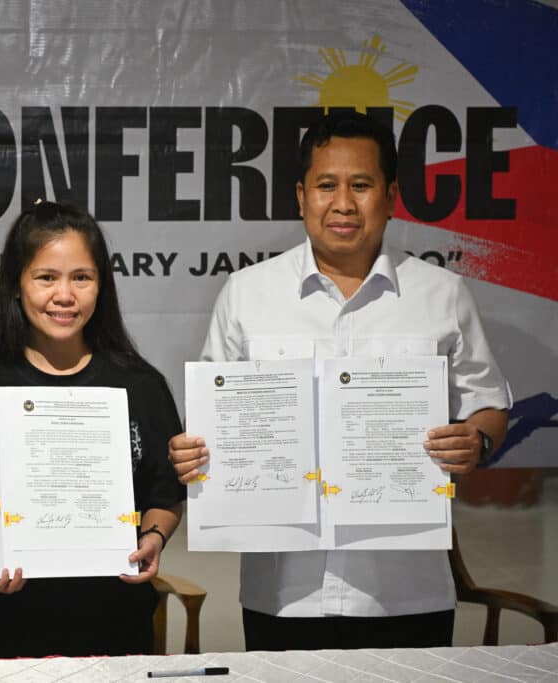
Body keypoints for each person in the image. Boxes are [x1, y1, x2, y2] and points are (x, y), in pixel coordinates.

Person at [169, 110, 510, 651]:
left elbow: (489, 404)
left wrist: (478, 438)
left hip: (407, 590)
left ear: (392, 195)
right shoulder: (247, 293)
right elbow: (211, 421)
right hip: (282, 592)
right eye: (327, 185)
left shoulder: (441, 294)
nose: (343, 204)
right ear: (301, 196)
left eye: (362, 185)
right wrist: (194, 454)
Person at [0, 200, 185, 658]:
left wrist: (153, 539)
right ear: (16, 284)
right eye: (46, 277)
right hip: (1, 630)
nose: (65, 295)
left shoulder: (142, 385)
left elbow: (164, 493)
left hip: (115, 628)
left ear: (102, 286)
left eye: (82, 277)